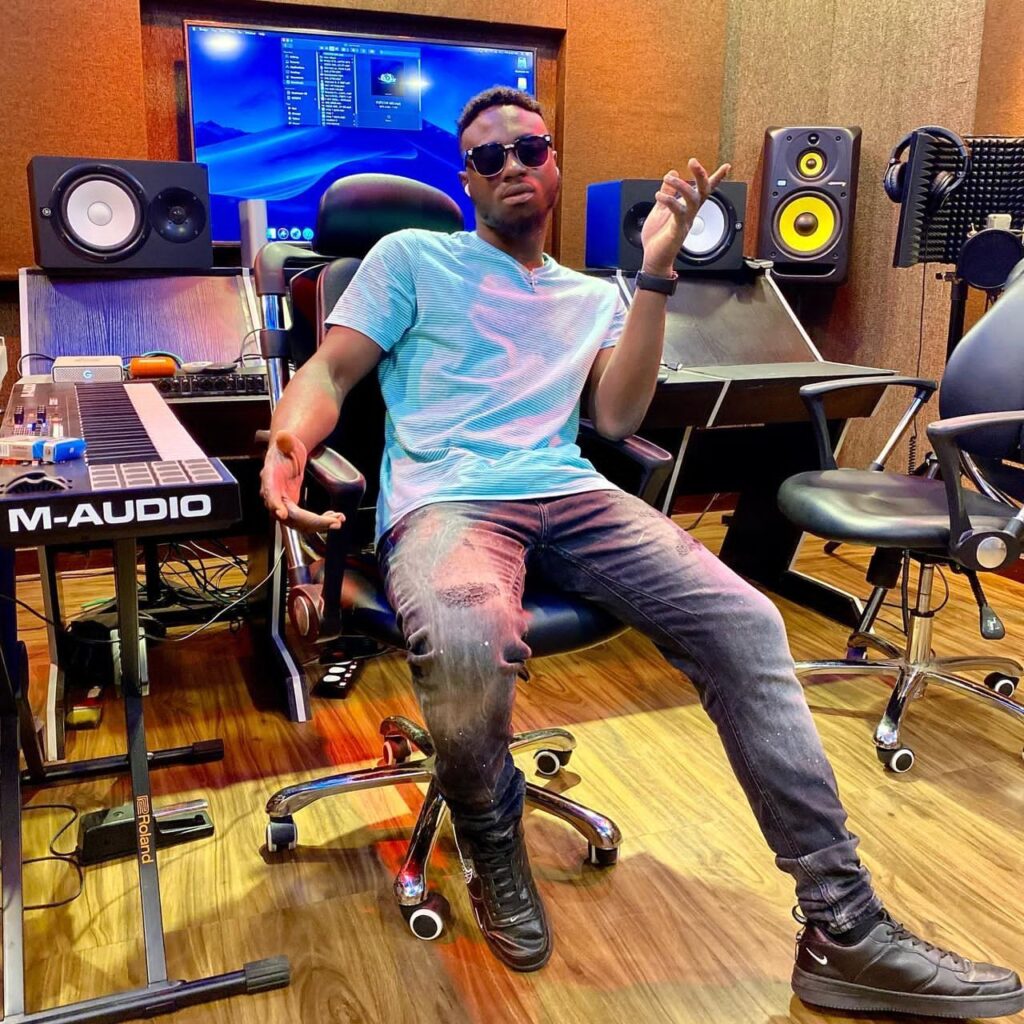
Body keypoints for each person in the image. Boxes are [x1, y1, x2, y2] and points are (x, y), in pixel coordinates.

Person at [261, 86, 1023, 1017]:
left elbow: (618, 417)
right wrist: (290, 440)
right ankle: (491, 836)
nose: (511, 166)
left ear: (554, 162)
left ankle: (844, 926)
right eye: (489, 156)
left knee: (747, 621)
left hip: (571, 494)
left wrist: (657, 270)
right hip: (449, 501)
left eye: (528, 148)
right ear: (467, 179)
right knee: (466, 635)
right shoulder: (412, 257)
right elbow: (330, 370)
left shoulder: (594, 295)